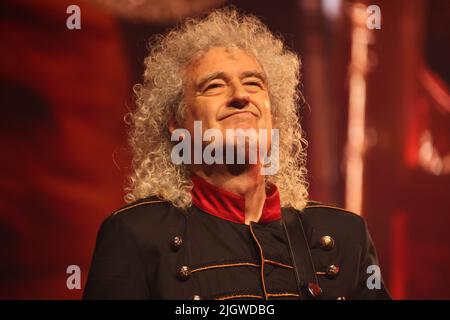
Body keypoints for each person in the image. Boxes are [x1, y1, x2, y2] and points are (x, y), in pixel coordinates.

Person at [83, 8, 391, 300]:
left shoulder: (345, 234)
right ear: (177, 125)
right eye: (215, 85)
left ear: (276, 114)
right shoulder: (135, 234)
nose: (241, 96)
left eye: (254, 83)